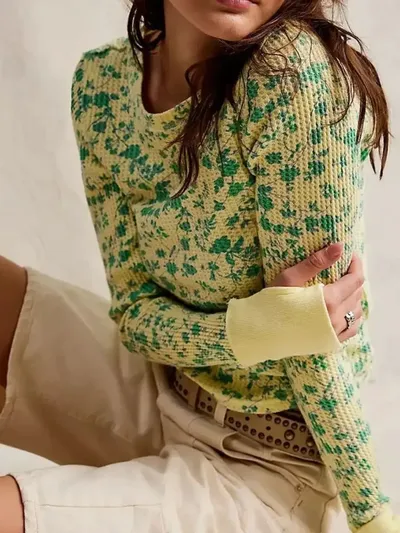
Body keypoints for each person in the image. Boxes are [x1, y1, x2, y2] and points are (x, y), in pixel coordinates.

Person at [0, 0, 396, 532]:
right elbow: (136, 315)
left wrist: (371, 516)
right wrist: (258, 328)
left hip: (273, 470)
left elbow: (315, 350)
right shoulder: (102, 85)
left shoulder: (291, 74)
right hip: (167, 386)